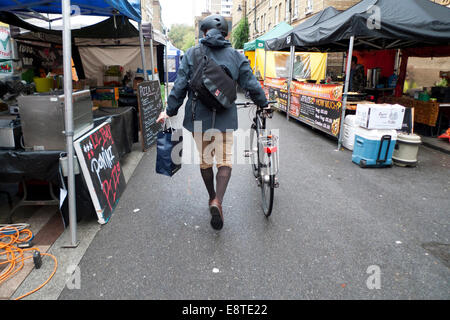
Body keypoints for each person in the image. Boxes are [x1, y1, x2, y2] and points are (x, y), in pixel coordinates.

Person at [156, 14, 268, 230]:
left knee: (206, 160)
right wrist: (263, 103)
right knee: (224, 160)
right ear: (226, 33)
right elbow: (250, 84)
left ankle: (210, 197)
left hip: (198, 117)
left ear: (203, 32)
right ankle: (219, 201)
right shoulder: (236, 56)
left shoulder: (191, 54)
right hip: (225, 117)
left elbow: (179, 86)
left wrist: (169, 111)